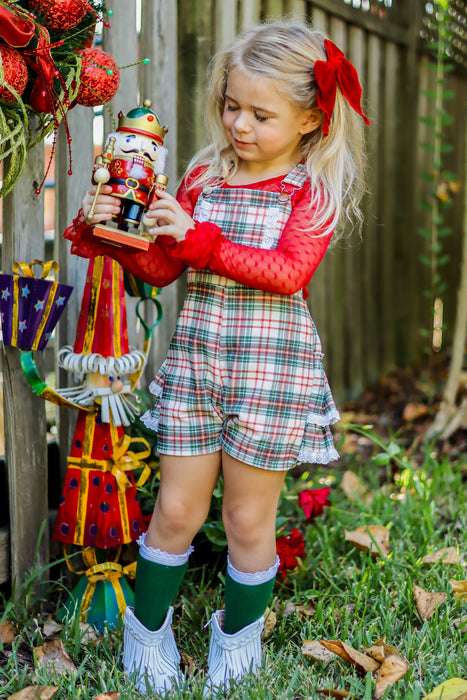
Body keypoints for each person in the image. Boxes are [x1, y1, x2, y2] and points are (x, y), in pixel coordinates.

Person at [65, 19, 370, 696]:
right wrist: (111, 235)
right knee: (175, 511)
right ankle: (147, 633)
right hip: (199, 364)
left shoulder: (309, 189)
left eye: (261, 114)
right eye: (232, 105)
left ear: (309, 119)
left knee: (245, 520)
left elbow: (288, 271)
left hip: (270, 372)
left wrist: (198, 239)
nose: (239, 124)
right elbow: (165, 270)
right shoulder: (206, 174)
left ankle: (237, 639)